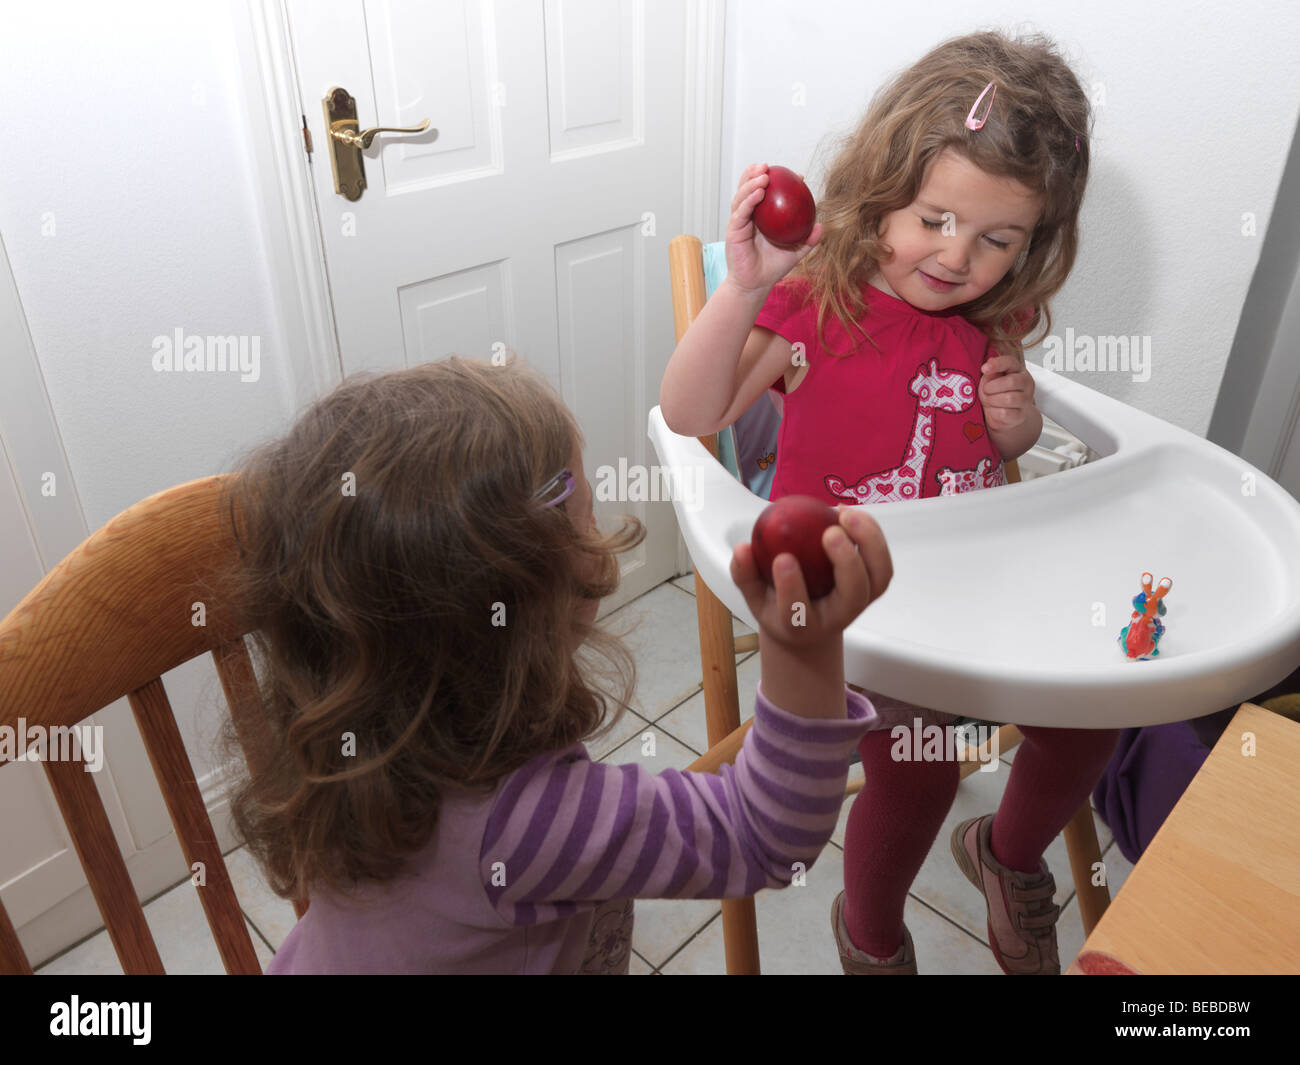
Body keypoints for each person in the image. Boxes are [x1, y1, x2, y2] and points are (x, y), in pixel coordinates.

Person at [660, 30, 1119, 975]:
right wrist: (747, 290)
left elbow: (987, 448)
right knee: (918, 767)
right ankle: (870, 938)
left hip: (979, 575)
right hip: (862, 601)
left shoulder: (995, 313)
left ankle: (1006, 852)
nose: (960, 258)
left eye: (999, 239)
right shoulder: (815, 305)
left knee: (1095, 715)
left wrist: (1015, 426)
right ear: (880, 192)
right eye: (935, 220)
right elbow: (690, 410)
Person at [219, 354, 893, 973]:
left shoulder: (339, 730)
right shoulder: (526, 826)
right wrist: (804, 645)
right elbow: (763, 834)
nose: (600, 533)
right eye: (586, 514)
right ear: (520, 598)